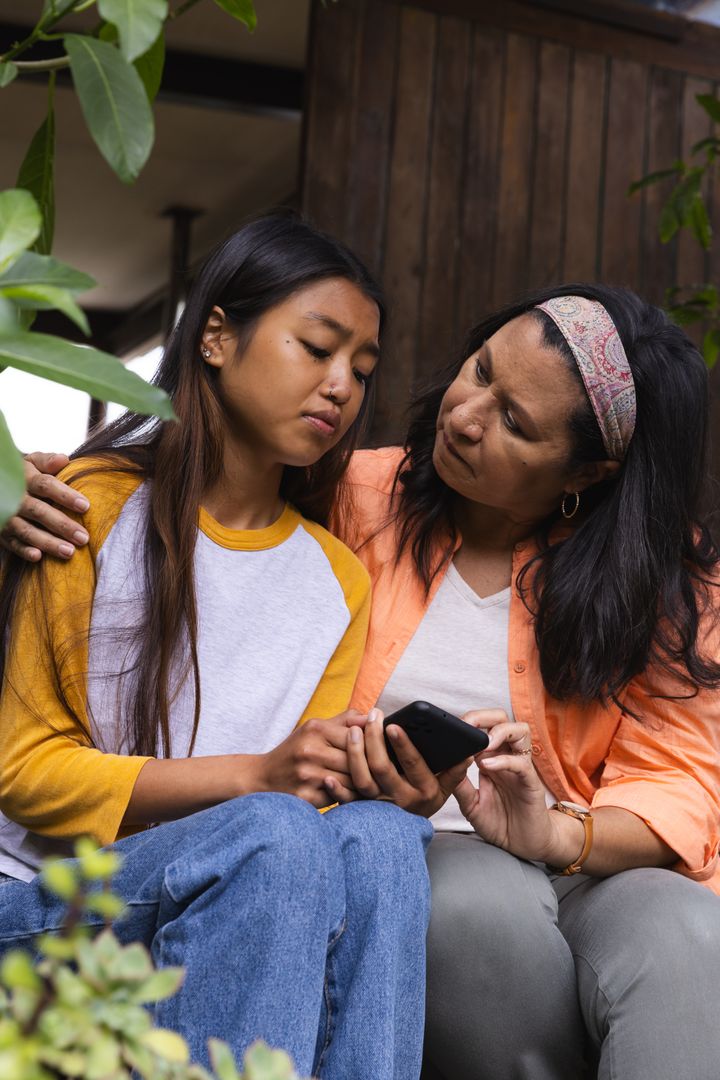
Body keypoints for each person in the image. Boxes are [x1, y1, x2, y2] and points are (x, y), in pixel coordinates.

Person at [11, 285, 720, 1079]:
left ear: (587, 471)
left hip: (584, 862)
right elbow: (193, 489)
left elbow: (681, 786)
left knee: (686, 930)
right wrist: (20, 488)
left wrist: (553, 833)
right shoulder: (348, 493)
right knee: (473, 903)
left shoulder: (667, 582)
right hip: (408, 851)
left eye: (515, 424)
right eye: (480, 370)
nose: (465, 416)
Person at [0, 214, 468, 1080]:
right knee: (273, 831)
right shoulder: (86, 505)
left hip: (224, 897)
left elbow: (304, 822)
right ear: (216, 337)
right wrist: (259, 778)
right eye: (316, 348)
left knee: (382, 838)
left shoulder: (336, 580)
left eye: (362, 370)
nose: (341, 387)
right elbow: (25, 774)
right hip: (42, 909)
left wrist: (366, 781)